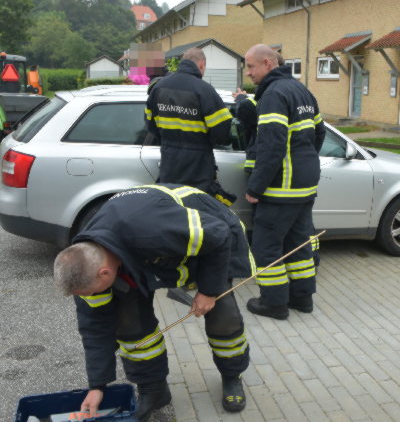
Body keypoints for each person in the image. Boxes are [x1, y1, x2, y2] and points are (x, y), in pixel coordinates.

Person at [54, 184, 254, 420]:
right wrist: (98, 386)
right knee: (129, 324)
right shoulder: (87, 262)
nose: (88, 297)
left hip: (210, 240)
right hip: (146, 255)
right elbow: (95, 328)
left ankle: (232, 376)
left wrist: (209, 292)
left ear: (105, 273)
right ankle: (153, 389)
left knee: (223, 318)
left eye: (89, 293)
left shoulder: (149, 229)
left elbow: (218, 234)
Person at [243, 44, 325, 320]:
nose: (248, 73)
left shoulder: (273, 95)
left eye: (251, 67)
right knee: (298, 243)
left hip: (282, 188)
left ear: (267, 63)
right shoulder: (301, 90)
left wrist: (255, 188)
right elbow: (319, 132)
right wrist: (304, 159)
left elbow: (271, 146)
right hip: (305, 184)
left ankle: (274, 303)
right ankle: (303, 299)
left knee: (266, 246)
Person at [145, 48, 232, 195]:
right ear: (202, 64)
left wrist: (168, 140)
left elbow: (150, 124)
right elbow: (222, 131)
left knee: (174, 205)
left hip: (169, 162)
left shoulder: (159, 88)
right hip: (198, 165)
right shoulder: (204, 90)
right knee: (197, 207)